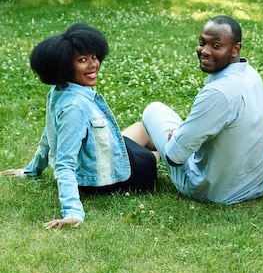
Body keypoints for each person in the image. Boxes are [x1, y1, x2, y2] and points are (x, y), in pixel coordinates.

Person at [1, 23, 159, 229]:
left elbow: (49, 136)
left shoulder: (58, 93)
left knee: (141, 127)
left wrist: (32, 171)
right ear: (64, 65)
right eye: (82, 60)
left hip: (107, 158)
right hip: (131, 174)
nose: (93, 64)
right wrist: (72, 211)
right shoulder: (74, 106)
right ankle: (172, 154)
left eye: (94, 57)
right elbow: (65, 163)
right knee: (161, 151)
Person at [142, 15, 263, 204]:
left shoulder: (217, 94)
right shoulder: (252, 76)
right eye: (202, 43)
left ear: (236, 49)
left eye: (216, 46)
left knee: (154, 110)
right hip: (257, 185)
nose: (205, 51)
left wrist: (176, 138)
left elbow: (174, 157)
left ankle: (145, 152)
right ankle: (164, 144)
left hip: (215, 192)